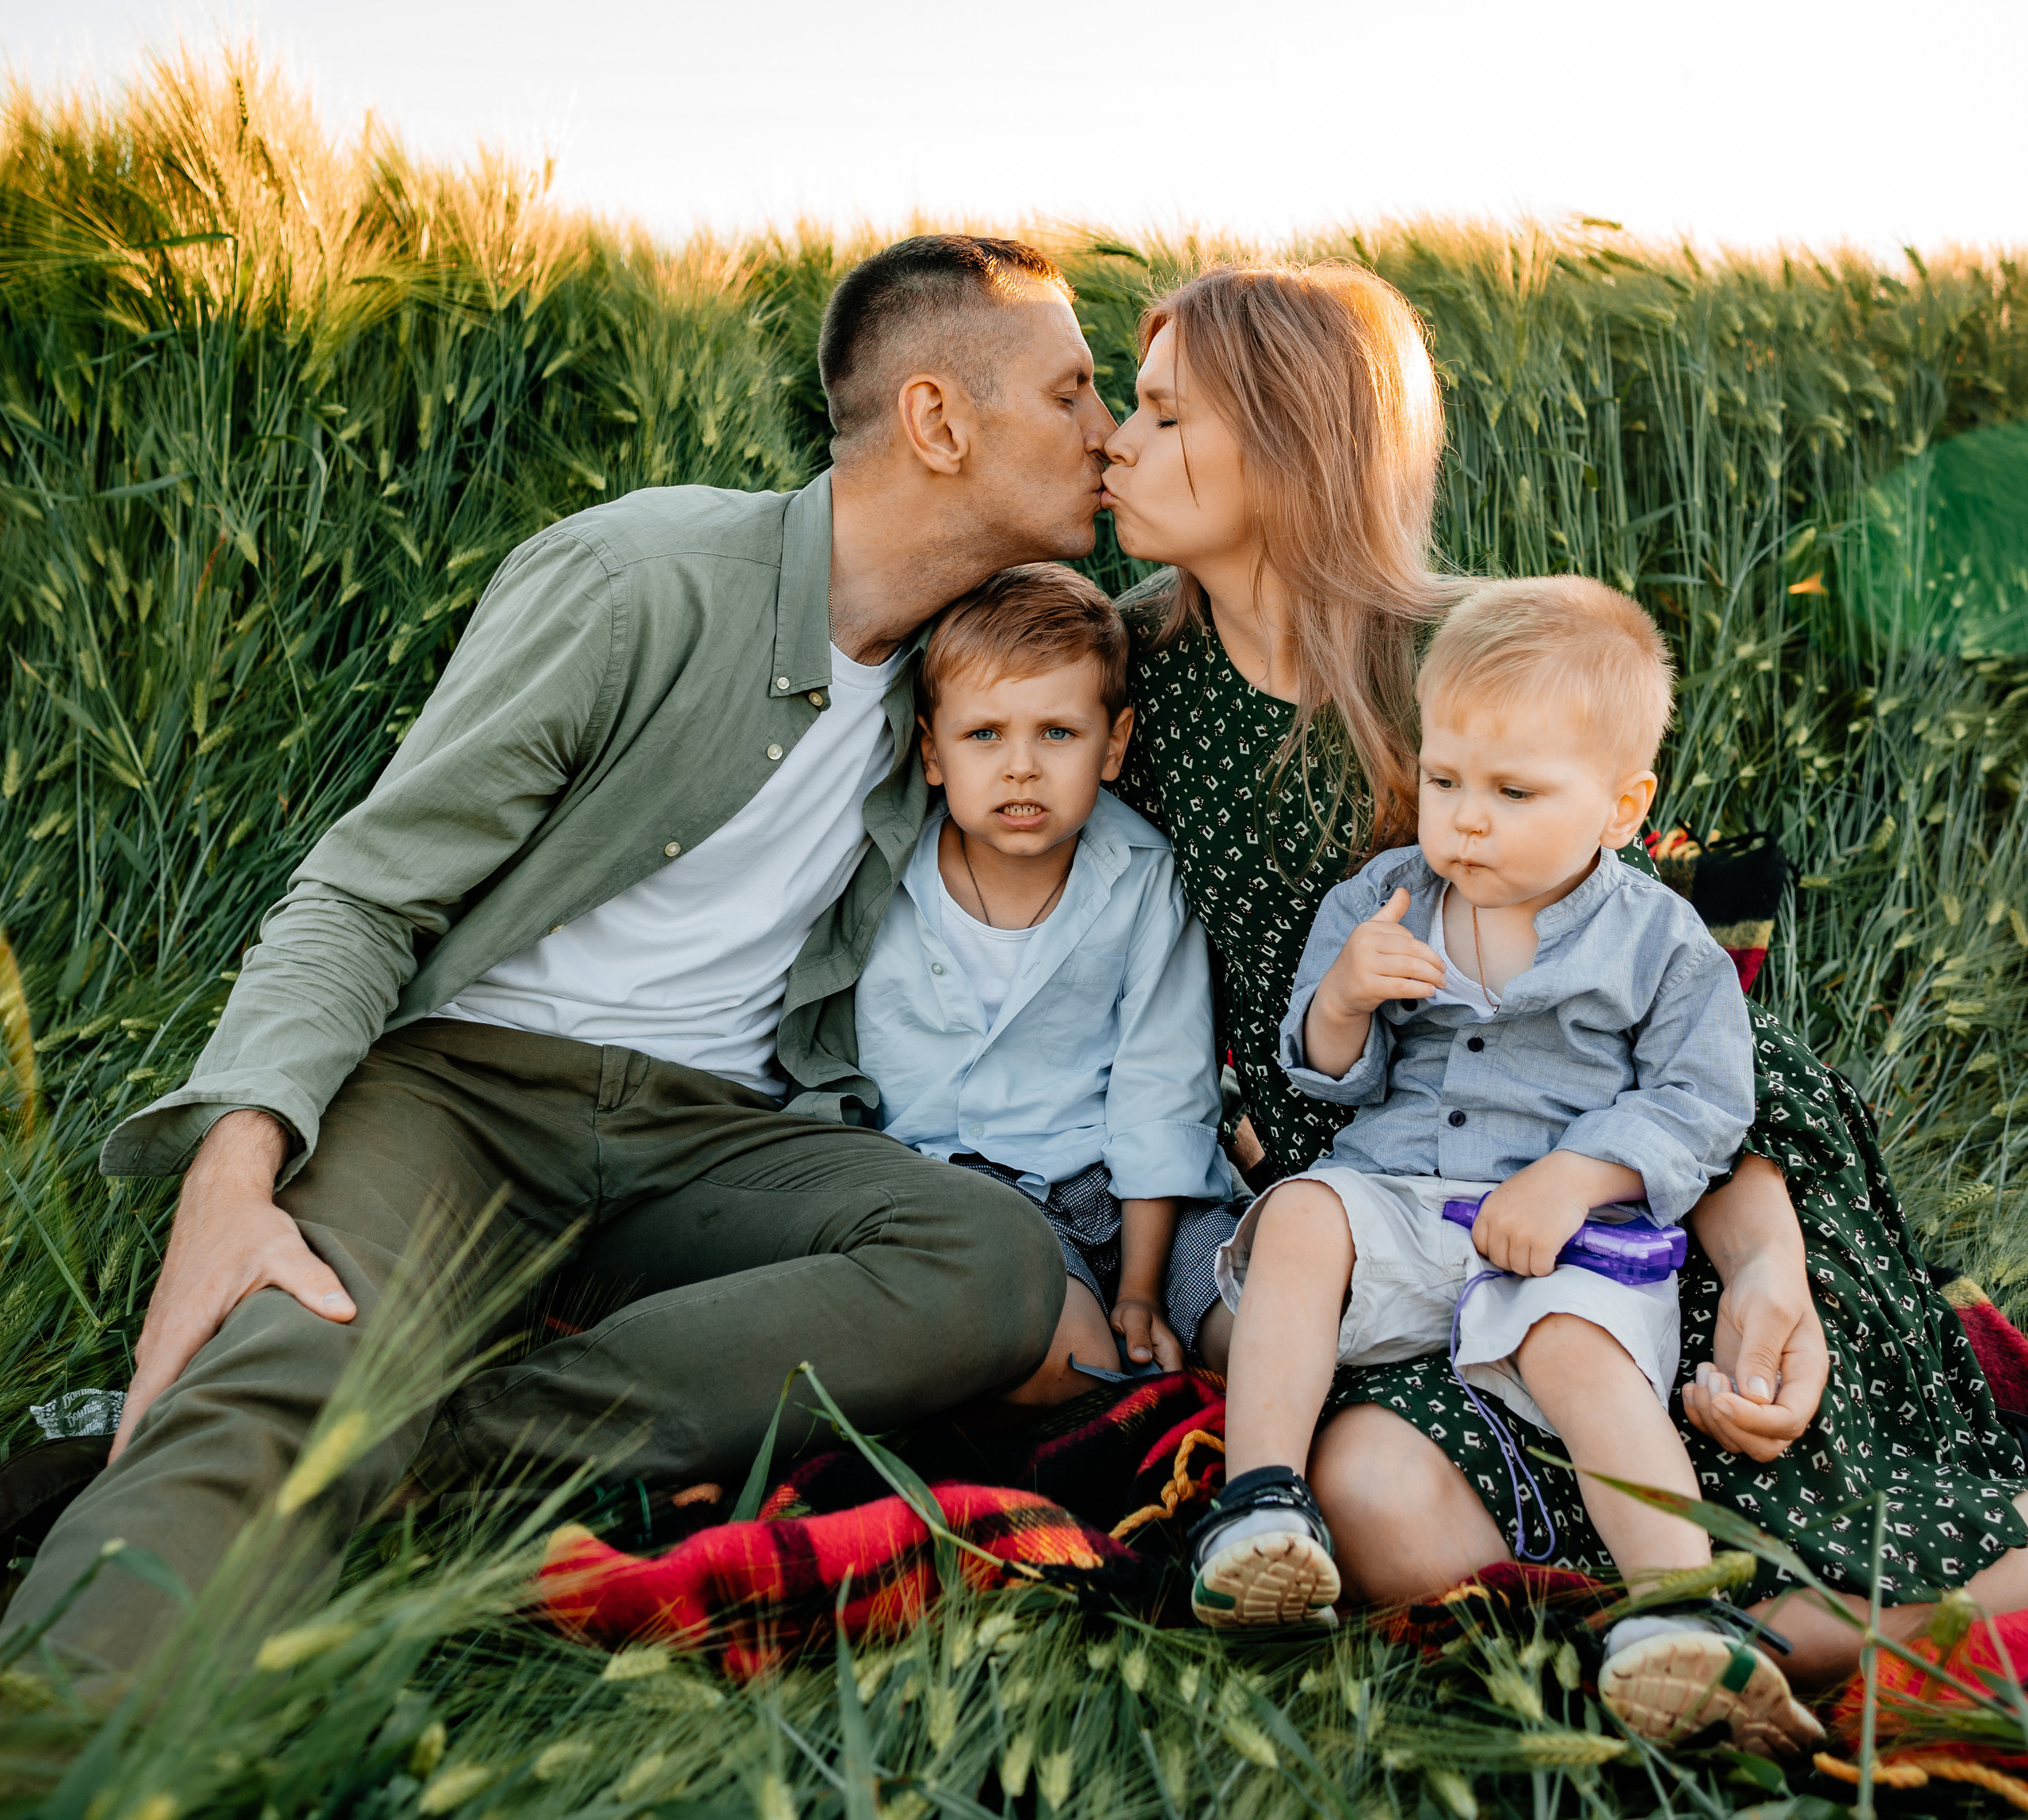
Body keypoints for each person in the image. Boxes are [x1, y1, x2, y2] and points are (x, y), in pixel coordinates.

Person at [4, 234, 1117, 1671]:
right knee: (296, 1336)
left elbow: (1262, 626)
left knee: (988, 1264)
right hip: (463, 1093)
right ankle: (61, 1728)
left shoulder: (972, 675)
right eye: (1075, 392)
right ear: (938, 420)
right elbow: (362, 891)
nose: (1107, 433)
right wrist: (235, 1168)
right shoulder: (637, 581)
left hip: (716, 1136)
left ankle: (407, 1445)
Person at [1100, 259, 2028, 1696]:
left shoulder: (1477, 656)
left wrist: (1761, 1249)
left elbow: (1679, 999)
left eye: (1163, 416)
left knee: (1732, 1401)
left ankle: (1846, 1619)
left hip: (1634, 1167)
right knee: (1377, 1504)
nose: (1118, 440)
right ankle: (1726, 1648)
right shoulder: (1128, 683)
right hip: (1383, 1192)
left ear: (1286, 441)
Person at [1195, 577, 1818, 1750]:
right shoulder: (1384, 903)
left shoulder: (1658, 944)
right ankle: (1259, 1506)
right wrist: (1342, 1000)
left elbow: (1703, 1103)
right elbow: (1322, 1080)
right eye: (1444, 782)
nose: (1465, 820)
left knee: (1581, 1349)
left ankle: (1685, 1616)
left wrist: (1582, 1176)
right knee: (1300, 1220)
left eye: (1513, 792)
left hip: (1567, 1239)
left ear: (1623, 808)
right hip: (1409, 1203)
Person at [852, 563, 1237, 1408]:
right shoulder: (881, 881)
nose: (1020, 767)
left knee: (1256, 1328)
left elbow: (1160, 1086)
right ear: (932, 751)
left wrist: (1140, 1287)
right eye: (984, 734)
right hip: (976, 1197)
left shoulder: (1142, 877)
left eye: (1057, 733)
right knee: (1066, 1361)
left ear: (1114, 743)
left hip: (1138, 1191)